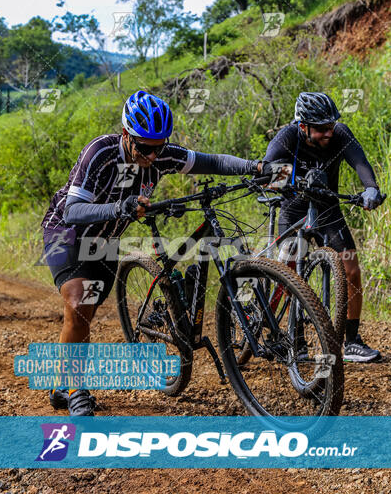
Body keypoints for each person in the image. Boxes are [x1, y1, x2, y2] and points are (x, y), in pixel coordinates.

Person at [41, 90, 262, 415]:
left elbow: (213, 161)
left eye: (159, 148)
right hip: (67, 233)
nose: (153, 157)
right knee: (78, 302)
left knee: (85, 314)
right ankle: (76, 390)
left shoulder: (161, 154)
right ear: (126, 135)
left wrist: (257, 166)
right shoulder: (100, 153)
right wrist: (121, 206)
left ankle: (62, 381)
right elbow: (73, 211)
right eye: (145, 148)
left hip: (106, 241)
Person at [262, 91, 384, 363]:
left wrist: (371, 189)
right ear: (303, 126)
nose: (328, 133)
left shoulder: (339, 134)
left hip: (328, 209)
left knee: (351, 268)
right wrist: (281, 180)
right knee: (292, 271)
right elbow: (268, 168)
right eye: (321, 129)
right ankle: (296, 340)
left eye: (331, 126)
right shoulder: (287, 137)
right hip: (294, 208)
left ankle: (352, 342)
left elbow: (360, 162)